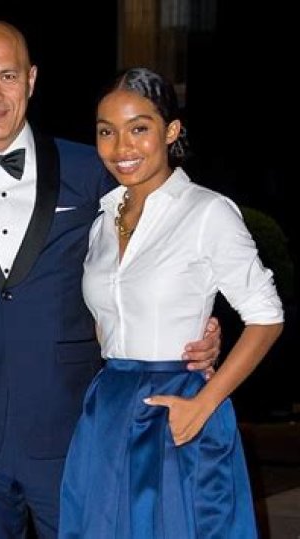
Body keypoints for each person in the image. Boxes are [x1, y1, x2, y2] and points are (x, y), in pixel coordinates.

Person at [0, 20, 222, 538]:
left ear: (31, 79)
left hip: (77, 425)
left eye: (7, 76)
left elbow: (165, 249)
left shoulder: (94, 169)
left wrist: (195, 327)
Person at [58, 67, 284, 539]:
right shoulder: (102, 223)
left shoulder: (207, 212)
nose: (122, 147)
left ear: (171, 131)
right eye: (107, 132)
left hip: (180, 408)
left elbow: (266, 317)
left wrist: (203, 404)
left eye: (139, 128)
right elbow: (107, 322)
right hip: (109, 409)